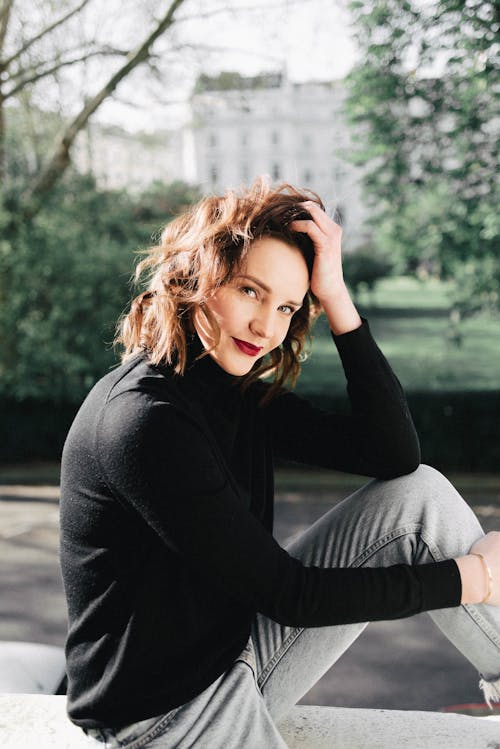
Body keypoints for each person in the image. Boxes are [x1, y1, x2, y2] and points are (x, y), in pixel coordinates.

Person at [59, 178, 500, 748]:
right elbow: (291, 596)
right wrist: (475, 578)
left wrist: (336, 296)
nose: (267, 327)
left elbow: (394, 456)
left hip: (231, 656)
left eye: (288, 306)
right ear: (198, 277)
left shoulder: (226, 388)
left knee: (421, 496)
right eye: (249, 291)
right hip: (167, 719)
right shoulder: (145, 422)